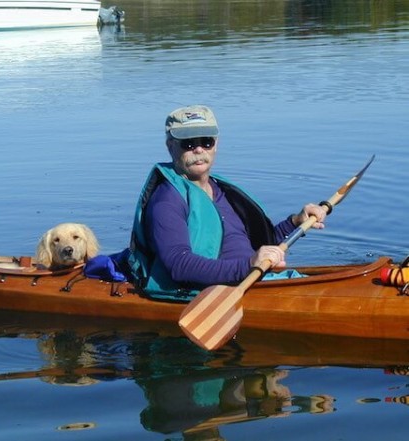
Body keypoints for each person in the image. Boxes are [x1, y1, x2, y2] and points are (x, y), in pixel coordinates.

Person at [127, 105, 327, 300]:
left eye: (206, 142)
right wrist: (248, 265)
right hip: (209, 292)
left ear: (216, 144)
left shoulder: (221, 190)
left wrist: (295, 222)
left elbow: (259, 245)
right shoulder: (166, 200)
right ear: (170, 146)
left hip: (253, 279)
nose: (198, 149)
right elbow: (180, 265)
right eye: (188, 143)